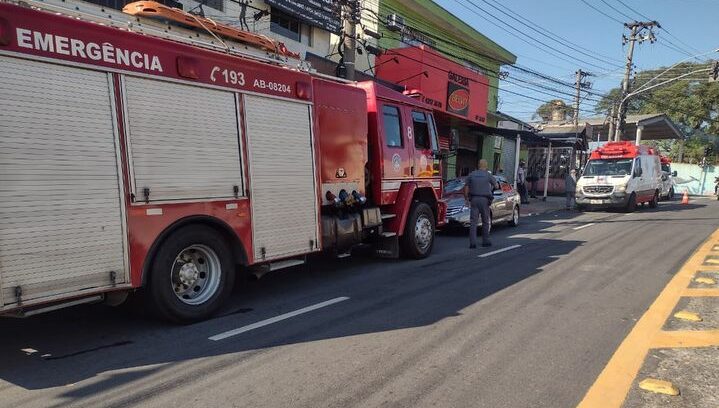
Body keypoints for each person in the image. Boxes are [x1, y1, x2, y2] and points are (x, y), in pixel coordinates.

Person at [464, 159, 499, 249]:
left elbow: (466, 187)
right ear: (486, 166)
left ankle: (472, 243)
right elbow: (496, 186)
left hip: (474, 199)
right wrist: (491, 189)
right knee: (485, 221)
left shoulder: (472, 174)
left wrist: (466, 199)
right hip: (484, 200)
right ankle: (485, 241)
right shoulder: (488, 175)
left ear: (478, 165)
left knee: (473, 222)